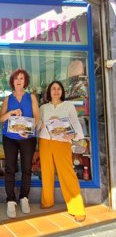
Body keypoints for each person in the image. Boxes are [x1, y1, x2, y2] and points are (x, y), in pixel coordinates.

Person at [38, 80, 86, 222]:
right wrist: (38, 125)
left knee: (67, 174)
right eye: (53, 88)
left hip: (62, 143)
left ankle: (77, 208)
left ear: (62, 91)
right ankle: (47, 201)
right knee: (46, 173)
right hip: (45, 141)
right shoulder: (43, 107)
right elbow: (39, 123)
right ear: (49, 92)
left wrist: (73, 135)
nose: (56, 91)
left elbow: (76, 124)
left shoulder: (69, 106)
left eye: (59, 88)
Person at [0, 69, 40, 218]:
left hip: (28, 139)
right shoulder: (7, 99)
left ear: (25, 81)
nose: (19, 80)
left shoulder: (32, 97)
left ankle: (24, 198)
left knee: (27, 169)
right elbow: (1, 119)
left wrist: (28, 131)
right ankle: (10, 200)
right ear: (12, 81)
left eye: (22, 78)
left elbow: (37, 118)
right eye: (16, 78)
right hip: (9, 138)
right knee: (10, 168)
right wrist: (10, 113)